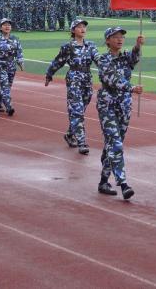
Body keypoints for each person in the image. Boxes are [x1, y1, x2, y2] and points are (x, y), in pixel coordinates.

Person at [96, 26, 143, 200]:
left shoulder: (124, 57)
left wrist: (137, 46)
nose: (119, 39)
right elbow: (112, 79)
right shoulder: (103, 60)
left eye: (121, 36)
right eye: (115, 36)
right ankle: (123, 184)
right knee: (115, 144)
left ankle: (103, 181)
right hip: (108, 105)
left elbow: (134, 59)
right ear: (107, 40)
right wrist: (131, 88)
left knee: (114, 144)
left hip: (124, 105)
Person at [45, 19, 98, 155]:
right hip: (74, 78)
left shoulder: (91, 46)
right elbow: (58, 61)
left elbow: (99, 60)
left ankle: (70, 134)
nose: (82, 29)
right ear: (73, 30)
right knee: (77, 110)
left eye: (84, 27)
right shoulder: (68, 47)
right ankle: (82, 142)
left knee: (81, 109)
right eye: (79, 27)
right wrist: (49, 74)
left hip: (87, 79)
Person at [0, 18, 23, 116]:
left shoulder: (15, 39)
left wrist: (20, 62)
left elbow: (19, 51)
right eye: (5, 25)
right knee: (5, 86)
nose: (7, 26)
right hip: (1, 64)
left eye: (9, 25)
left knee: (7, 86)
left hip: (11, 65)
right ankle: (9, 106)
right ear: (0, 27)